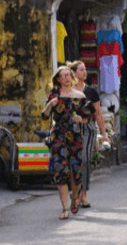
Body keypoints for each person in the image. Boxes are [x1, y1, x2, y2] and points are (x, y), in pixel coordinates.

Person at [41, 66, 92, 220]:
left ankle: (75, 197)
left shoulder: (80, 96)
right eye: (63, 76)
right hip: (59, 136)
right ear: (58, 79)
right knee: (60, 171)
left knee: (76, 172)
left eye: (69, 75)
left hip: (76, 136)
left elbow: (88, 117)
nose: (67, 78)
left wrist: (80, 119)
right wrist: (51, 105)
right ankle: (64, 208)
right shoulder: (54, 95)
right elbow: (44, 116)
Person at [68, 60, 110, 208]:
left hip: (88, 129)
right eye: (81, 70)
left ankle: (83, 194)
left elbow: (98, 113)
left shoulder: (90, 91)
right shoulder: (67, 91)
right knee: (73, 161)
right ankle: (75, 192)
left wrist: (104, 134)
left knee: (85, 160)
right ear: (73, 73)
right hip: (71, 130)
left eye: (85, 69)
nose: (84, 72)